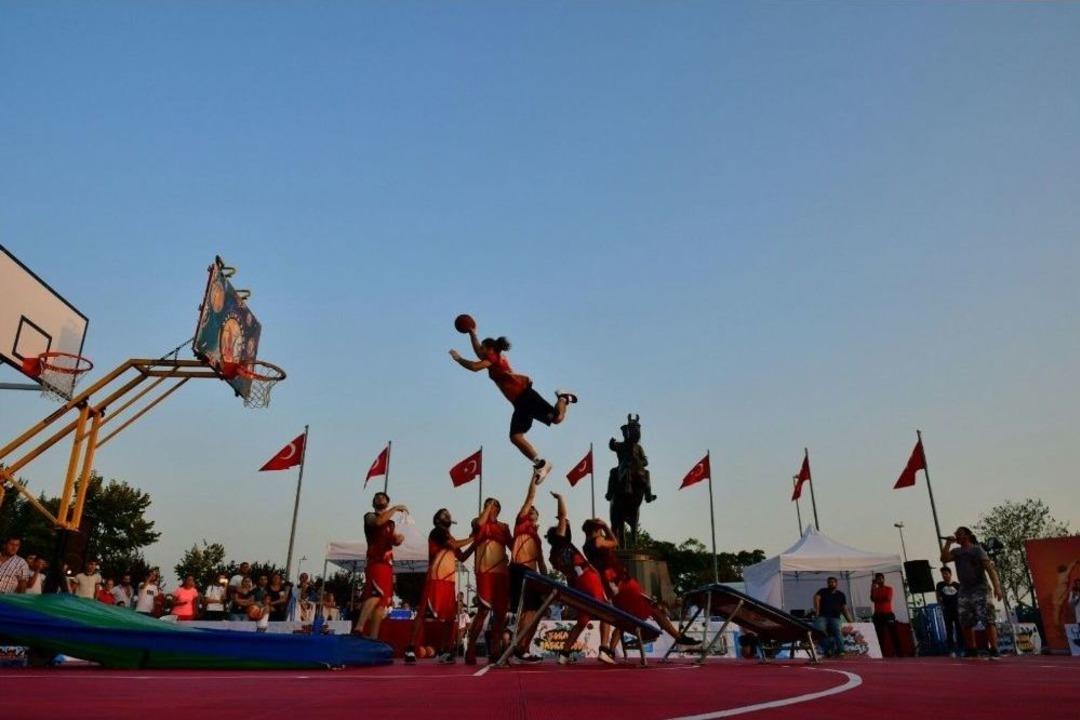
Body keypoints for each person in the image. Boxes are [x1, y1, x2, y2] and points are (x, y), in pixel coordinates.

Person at [449, 325, 577, 483]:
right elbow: (478, 351)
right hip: (520, 403)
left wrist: (459, 359)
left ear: (489, 349)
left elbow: (475, 367)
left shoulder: (494, 358)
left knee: (557, 419)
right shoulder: (492, 356)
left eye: (482, 349)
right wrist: (472, 333)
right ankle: (541, 463)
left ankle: (563, 397)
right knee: (515, 436)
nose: (479, 351)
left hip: (526, 397)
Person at [583, 517, 700, 650]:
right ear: (597, 530)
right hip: (621, 582)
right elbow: (615, 542)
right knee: (653, 609)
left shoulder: (586, 547)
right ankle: (678, 637)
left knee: (625, 616)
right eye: (600, 529)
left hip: (611, 584)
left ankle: (610, 649)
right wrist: (605, 526)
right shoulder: (598, 540)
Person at [547, 491, 614, 665]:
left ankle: (564, 654)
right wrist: (561, 498)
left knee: (582, 621)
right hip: (587, 578)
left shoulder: (553, 556)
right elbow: (563, 516)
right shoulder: (562, 541)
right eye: (563, 526)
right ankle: (604, 649)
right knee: (607, 611)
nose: (565, 525)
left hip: (575, 586)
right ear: (559, 533)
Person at [404, 508, 473, 664]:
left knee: (449, 618)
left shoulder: (449, 536)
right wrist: (473, 538)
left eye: (448, 514)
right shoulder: (437, 532)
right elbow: (452, 544)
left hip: (448, 581)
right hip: (436, 577)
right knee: (422, 613)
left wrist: (475, 543)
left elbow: (462, 557)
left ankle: (445, 651)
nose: (447, 515)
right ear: (437, 520)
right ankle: (410, 648)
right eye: (444, 514)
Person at [940, 527, 1004, 659]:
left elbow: (990, 569)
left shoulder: (977, 550)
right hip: (964, 590)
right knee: (965, 620)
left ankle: (994, 648)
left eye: (959, 534)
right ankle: (972, 649)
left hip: (980, 588)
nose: (957, 536)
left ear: (967, 536)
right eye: (956, 534)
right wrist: (947, 544)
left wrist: (997, 587)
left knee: (987, 618)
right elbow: (944, 558)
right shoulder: (956, 551)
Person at [464, 498, 512, 664]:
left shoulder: (504, 527)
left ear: (499, 509)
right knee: (483, 610)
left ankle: (495, 650)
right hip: (485, 571)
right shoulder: (478, 523)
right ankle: (470, 648)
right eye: (487, 504)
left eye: (493, 505)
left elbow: (513, 546)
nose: (489, 507)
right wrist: (487, 507)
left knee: (500, 614)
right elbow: (479, 524)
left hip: (501, 573)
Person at [353, 492, 407, 639]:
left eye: (383, 497)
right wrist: (395, 508)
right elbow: (378, 523)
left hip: (387, 564)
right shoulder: (370, 516)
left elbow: (394, 539)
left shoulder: (391, 523)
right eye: (377, 497)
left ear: (387, 502)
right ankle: (359, 627)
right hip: (375, 561)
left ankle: (373, 636)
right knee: (376, 594)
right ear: (373, 503)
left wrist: (399, 539)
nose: (380, 498)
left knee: (382, 603)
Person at [508, 474, 549, 663]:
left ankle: (523, 648)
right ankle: (517, 646)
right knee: (527, 610)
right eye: (529, 510)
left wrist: (548, 582)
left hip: (533, 574)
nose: (530, 510)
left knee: (534, 611)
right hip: (519, 569)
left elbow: (541, 562)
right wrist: (534, 476)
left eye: (533, 511)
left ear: (537, 517)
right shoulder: (521, 524)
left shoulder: (537, 538)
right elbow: (530, 497)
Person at [813, 577, 853, 658]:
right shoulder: (822, 591)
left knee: (838, 632)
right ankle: (828, 650)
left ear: (836, 583)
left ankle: (841, 651)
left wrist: (850, 620)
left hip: (835, 617)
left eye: (832, 582)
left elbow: (844, 608)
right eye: (829, 582)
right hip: (822, 616)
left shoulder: (841, 594)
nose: (831, 584)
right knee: (820, 631)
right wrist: (817, 611)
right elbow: (816, 598)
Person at [870, 573, 903, 657]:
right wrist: (872, 587)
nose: (879, 580)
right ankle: (881, 653)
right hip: (878, 615)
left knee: (893, 634)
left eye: (881, 579)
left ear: (883, 579)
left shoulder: (889, 588)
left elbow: (887, 598)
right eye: (878, 579)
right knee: (880, 635)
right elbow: (873, 599)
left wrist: (878, 599)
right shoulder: (875, 589)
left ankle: (899, 653)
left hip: (888, 614)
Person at [935, 567, 962, 656]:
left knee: (959, 629)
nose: (944, 575)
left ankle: (961, 648)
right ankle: (951, 650)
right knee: (949, 630)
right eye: (943, 574)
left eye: (946, 573)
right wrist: (940, 604)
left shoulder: (957, 585)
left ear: (950, 574)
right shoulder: (940, 585)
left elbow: (961, 597)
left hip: (957, 610)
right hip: (947, 610)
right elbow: (938, 596)